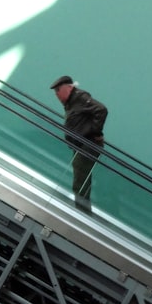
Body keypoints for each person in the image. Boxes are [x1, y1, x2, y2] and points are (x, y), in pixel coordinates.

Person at [50, 75, 108, 214]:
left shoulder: (80, 97)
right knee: (81, 180)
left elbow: (101, 110)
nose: (56, 94)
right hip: (80, 146)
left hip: (87, 144)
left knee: (80, 182)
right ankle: (82, 212)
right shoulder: (71, 103)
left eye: (58, 90)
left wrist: (95, 132)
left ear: (69, 87)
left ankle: (81, 214)